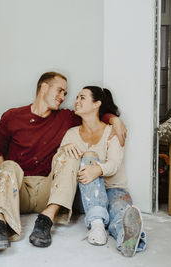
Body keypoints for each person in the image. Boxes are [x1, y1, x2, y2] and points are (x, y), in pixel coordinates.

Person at [0, 72, 127, 251]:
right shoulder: (12, 116)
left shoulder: (66, 117)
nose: (63, 98)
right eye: (60, 91)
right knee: (8, 166)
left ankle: (45, 221)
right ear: (44, 87)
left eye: (65, 94)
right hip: (18, 188)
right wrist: (5, 176)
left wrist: (115, 120)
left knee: (70, 153)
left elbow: (94, 116)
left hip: (48, 189)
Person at [60, 86, 146, 257]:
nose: (76, 101)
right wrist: (64, 149)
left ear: (97, 104)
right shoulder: (71, 134)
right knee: (90, 156)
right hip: (84, 193)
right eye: (76, 97)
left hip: (114, 189)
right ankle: (97, 225)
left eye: (82, 97)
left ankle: (127, 239)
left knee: (119, 210)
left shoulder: (112, 131)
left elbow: (114, 164)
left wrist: (97, 170)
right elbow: (60, 165)